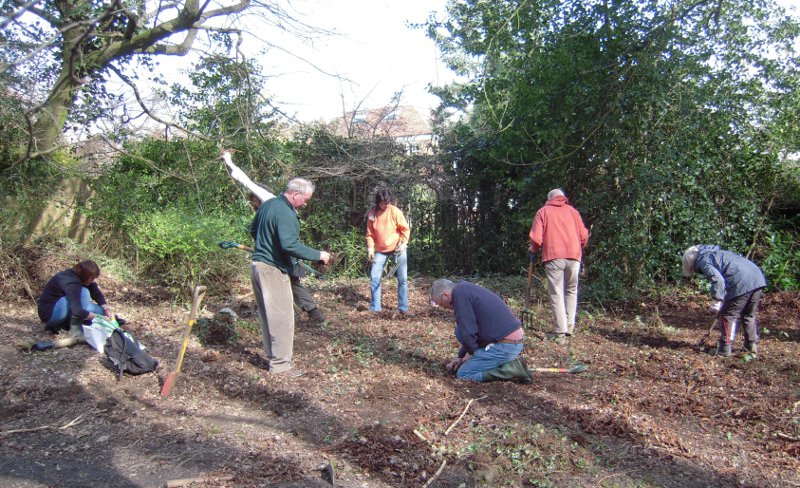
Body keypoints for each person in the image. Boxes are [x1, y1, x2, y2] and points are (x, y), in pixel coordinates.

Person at [222, 150, 326, 325]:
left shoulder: (268, 200)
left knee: (290, 281)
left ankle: (306, 314)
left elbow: (245, 181)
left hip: (282, 254)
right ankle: (312, 313)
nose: (253, 205)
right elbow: (256, 231)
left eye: (253, 202)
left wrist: (228, 161)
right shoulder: (272, 207)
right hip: (276, 253)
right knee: (292, 282)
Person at [250, 177, 330, 375]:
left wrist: (269, 245)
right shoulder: (286, 213)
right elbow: (290, 245)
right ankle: (281, 366)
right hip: (273, 270)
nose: (305, 204)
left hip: (257, 266)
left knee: (268, 317)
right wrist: (319, 255)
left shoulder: (267, 206)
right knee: (282, 319)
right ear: (295, 195)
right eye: (305, 199)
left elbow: (253, 231)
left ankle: (273, 358)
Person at [429, 279, 532, 383]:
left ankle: (511, 369)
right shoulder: (464, 289)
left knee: (464, 373)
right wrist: (460, 357)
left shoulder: (460, 296)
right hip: (509, 340)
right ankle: (498, 361)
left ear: (445, 296)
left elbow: (469, 332)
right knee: (459, 330)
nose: (445, 308)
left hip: (506, 346)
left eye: (441, 304)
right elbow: (468, 330)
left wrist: (470, 355)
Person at [529, 188, 589, 344]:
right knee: (571, 290)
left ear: (549, 198)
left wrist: (533, 250)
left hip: (554, 256)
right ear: (562, 198)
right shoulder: (573, 212)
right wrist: (577, 248)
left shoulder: (543, 212)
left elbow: (536, 238)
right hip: (574, 256)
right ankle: (569, 327)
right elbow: (584, 235)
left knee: (556, 292)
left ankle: (560, 332)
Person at [682, 245, 767, 356]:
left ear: (690, 261)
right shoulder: (717, 253)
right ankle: (751, 345)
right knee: (748, 314)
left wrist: (717, 301)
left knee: (728, 316)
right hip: (757, 277)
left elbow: (718, 280)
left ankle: (724, 348)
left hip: (742, 281)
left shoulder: (703, 260)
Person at [37, 260, 113, 338]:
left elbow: (96, 293)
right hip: (50, 313)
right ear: (85, 276)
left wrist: (106, 309)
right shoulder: (71, 282)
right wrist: (99, 317)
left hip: (67, 308)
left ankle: (67, 323)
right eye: (92, 278)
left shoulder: (81, 278)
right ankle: (74, 328)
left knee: (100, 311)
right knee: (84, 292)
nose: (93, 281)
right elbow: (77, 311)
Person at [366, 189, 411, 315]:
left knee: (403, 278)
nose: (385, 205)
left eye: (387, 202)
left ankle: (404, 308)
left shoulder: (395, 211)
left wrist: (403, 244)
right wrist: (370, 248)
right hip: (380, 250)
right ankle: (375, 307)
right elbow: (369, 235)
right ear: (378, 202)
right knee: (374, 276)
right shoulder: (372, 214)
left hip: (397, 249)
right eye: (383, 203)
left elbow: (405, 229)